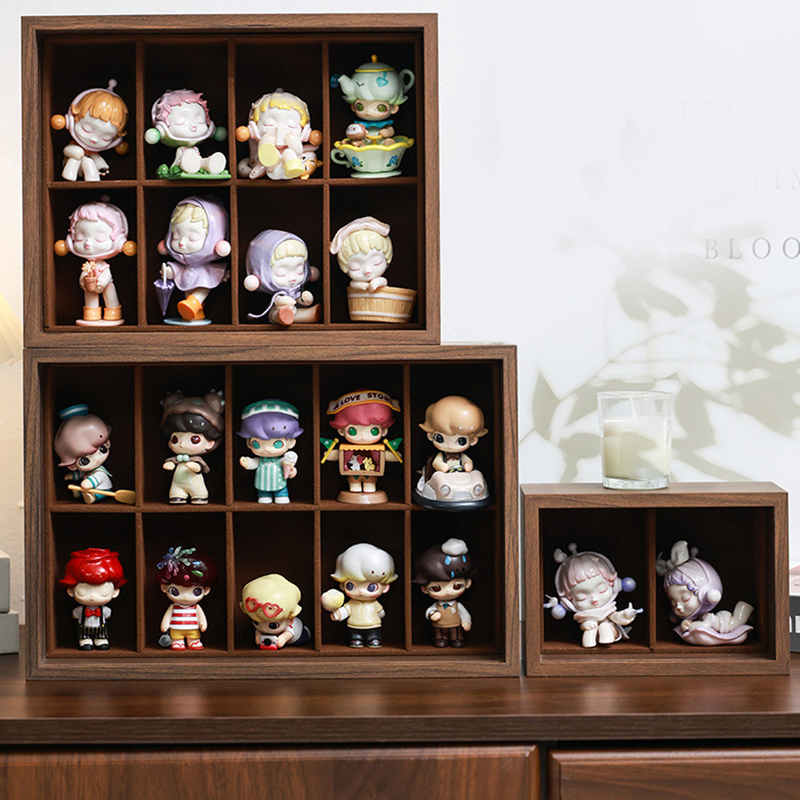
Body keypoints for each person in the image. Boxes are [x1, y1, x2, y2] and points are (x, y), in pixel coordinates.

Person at [656, 540, 754, 646]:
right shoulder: (698, 616)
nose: (678, 606)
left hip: (723, 622)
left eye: (685, 598)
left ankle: (744, 610)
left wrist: (692, 626)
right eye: (673, 603)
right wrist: (685, 624)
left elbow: (702, 625)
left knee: (734, 623)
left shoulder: (708, 617)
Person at [320, 543, 397, 648]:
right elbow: (346, 610)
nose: (360, 592)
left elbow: (381, 613)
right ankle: (356, 639)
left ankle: (374, 639)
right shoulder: (351, 604)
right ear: (342, 586)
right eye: (351, 586)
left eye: (371, 587)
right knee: (355, 636)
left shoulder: (374, 603)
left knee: (373, 635)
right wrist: (337, 614)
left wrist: (379, 614)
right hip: (354, 626)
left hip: (373, 625)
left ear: (385, 588)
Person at [53, 81, 129, 181]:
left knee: (88, 162)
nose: (94, 139)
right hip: (72, 162)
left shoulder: (94, 153)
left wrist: (102, 168)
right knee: (75, 158)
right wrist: (77, 152)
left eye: (106, 138)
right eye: (86, 129)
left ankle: (92, 178)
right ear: (70, 121)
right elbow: (67, 150)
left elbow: (99, 162)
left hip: (86, 165)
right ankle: (69, 174)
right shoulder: (73, 145)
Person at [161, 390, 224, 504]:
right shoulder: (178, 459)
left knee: (198, 490)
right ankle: (177, 496)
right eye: (175, 439)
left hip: (195, 484)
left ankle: (199, 496)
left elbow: (203, 468)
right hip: (177, 484)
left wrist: (195, 466)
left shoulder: (196, 460)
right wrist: (170, 464)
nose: (182, 444)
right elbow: (171, 462)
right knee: (175, 492)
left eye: (194, 439)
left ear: (210, 443)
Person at [237, 399, 303, 503]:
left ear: (291, 442)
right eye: (256, 444)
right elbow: (255, 463)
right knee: (263, 496)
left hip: (279, 484)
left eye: (277, 444)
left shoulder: (281, 460)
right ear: (248, 443)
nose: (266, 449)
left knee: (281, 493)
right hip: (262, 484)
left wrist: (292, 471)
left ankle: (281, 495)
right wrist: (248, 462)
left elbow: (288, 467)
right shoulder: (261, 460)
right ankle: (264, 495)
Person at [59, 548, 126, 650]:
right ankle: (85, 640)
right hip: (84, 629)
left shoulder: (104, 610)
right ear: (71, 591)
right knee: (84, 636)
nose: (92, 597)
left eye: (103, 593)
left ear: (115, 592)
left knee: (101, 635)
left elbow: (107, 615)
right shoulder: (80, 610)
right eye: (82, 592)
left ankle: (100, 640)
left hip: (100, 630)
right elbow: (75, 615)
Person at [413, 538, 475, 647]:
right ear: (424, 589)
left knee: (456, 635)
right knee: (439, 636)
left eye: (456, 586)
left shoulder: (457, 605)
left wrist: (466, 621)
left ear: (467, 583)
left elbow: (464, 613)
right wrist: (432, 614)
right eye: (436, 588)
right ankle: (440, 639)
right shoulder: (436, 605)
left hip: (455, 626)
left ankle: (457, 640)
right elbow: (430, 611)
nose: (447, 592)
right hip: (439, 627)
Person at [157, 546, 216, 651]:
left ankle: (193, 641)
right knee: (176, 638)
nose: (185, 596)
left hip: (193, 629)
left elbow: (201, 617)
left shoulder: (196, 607)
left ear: (206, 590)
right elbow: (167, 617)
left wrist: (203, 624)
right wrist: (165, 625)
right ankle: (177, 642)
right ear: (164, 588)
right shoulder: (173, 607)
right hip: (176, 630)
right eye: (175, 591)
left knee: (194, 637)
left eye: (196, 591)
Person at [53, 404, 112, 504]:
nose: (97, 459)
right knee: (83, 488)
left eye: (102, 449)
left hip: (103, 489)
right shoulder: (87, 471)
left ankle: (90, 497)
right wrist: (72, 476)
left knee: (86, 488)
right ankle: (80, 493)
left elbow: (93, 480)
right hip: (90, 486)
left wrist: (88, 483)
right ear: (72, 466)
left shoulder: (100, 472)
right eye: (85, 461)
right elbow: (81, 473)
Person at [240, 574, 309, 650]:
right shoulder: (262, 628)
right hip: (274, 637)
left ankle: (307, 631)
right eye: (256, 622)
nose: (263, 628)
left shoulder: (290, 627)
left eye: (273, 625)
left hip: (298, 638)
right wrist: (258, 635)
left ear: (290, 620)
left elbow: (288, 634)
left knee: (305, 636)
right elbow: (258, 630)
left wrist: (282, 639)